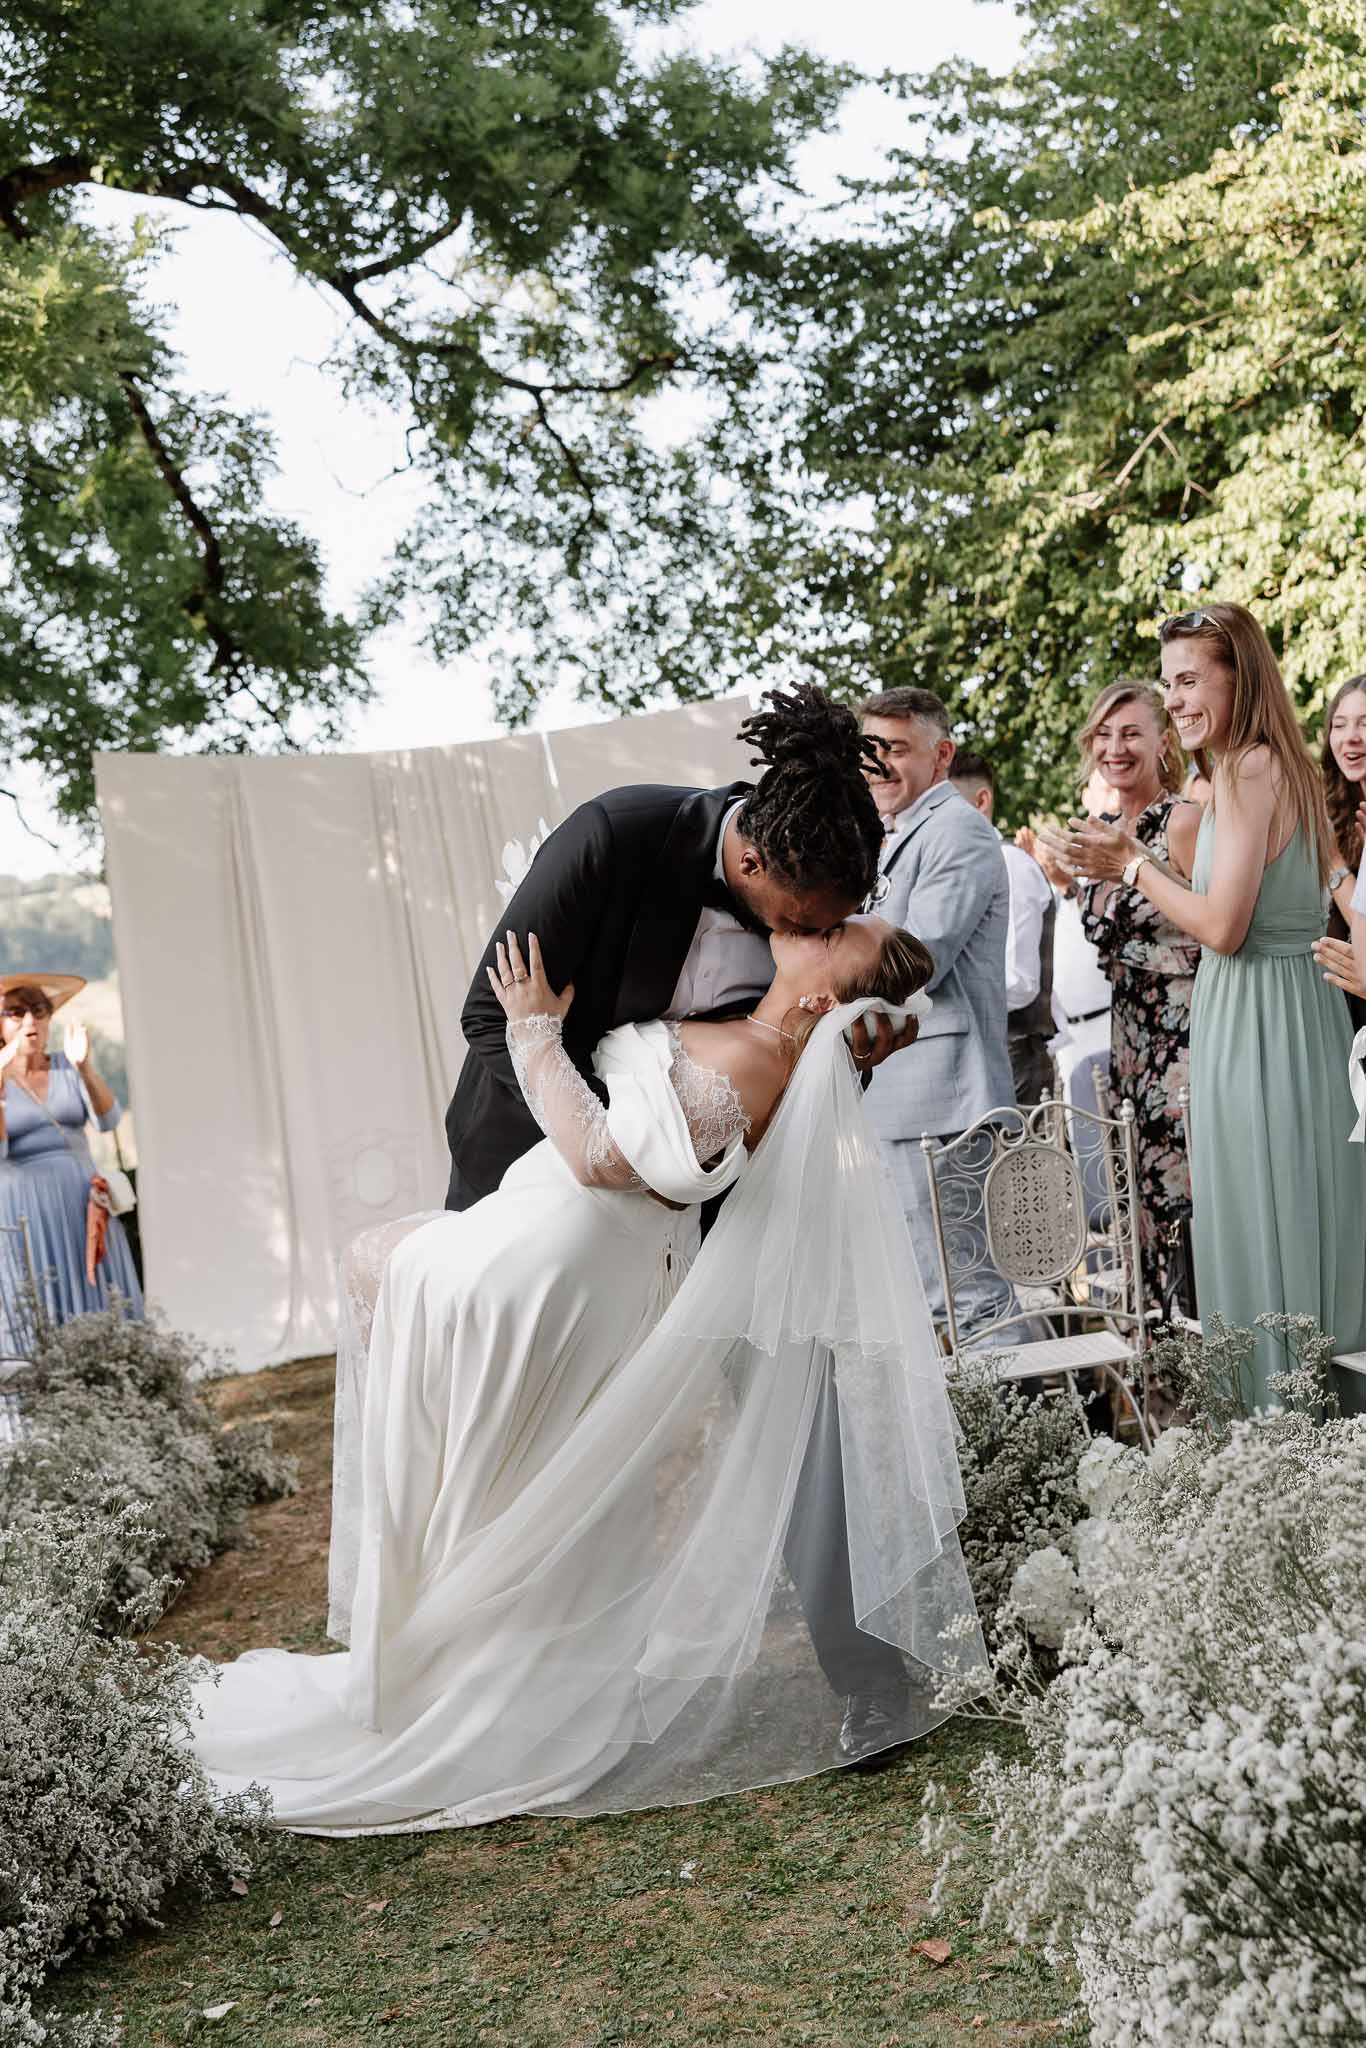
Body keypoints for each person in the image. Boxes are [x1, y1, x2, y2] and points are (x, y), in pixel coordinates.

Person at [186, 915, 986, 1832]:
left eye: (842, 928)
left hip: (571, 1249)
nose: (825, 917)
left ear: (819, 995)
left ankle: (440, 1641)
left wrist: (532, 1027)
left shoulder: (770, 1060)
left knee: (398, 1291)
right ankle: (438, 1636)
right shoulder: (747, 1002)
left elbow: (608, 1161)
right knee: (454, 1385)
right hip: (546, 1215)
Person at [441, 688, 925, 1762]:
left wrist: (845, 1043)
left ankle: (868, 1678)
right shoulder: (616, 837)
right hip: (545, 1169)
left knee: (796, 1389)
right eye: (799, 917)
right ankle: (515, 1680)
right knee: (533, 1426)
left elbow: (861, 998)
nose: (807, 937)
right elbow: (494, 1015)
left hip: (732, 1171)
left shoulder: (817, 889)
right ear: (750, 863)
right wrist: (607, 1161)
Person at [1047, 603, 1366, 1413]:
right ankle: (1307, 1427)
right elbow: (1333, 888)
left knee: (1272, 1218)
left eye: (1190, 680)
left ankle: (1288, 1425)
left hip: (1260, 1016)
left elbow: (1222, 928)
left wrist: (1132, 865)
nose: (1177, 699)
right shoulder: (1275, 765)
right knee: (1300, 1213)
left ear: (1238, 677)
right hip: (1284, 1012)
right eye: (1170, 681)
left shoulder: (1247, 769)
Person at [858, 689, 1018, 1332]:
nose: (878, 766)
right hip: (906, 1100)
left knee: (970, 1297)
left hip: (944, 1099)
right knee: (937, 1293)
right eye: (869, 752)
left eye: (894, 750)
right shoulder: (895, 834)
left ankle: (1029, 1433)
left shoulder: (958, 832)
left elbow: (920, 958)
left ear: (941, 754)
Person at [1071, 682, 1202, 1312]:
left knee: (1190, 1197)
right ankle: (1165, 1375)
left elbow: (1214, 929)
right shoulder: (1097, 830)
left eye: (1130, 733)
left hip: (1186, 1036)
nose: (1115, 747)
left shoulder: (1181, 821)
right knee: (1141, 1200)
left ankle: (1215, 1354)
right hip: (1128, 1040)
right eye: (1103, 734)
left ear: (1162, 741)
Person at [0, 974, 141, 1330]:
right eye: (16, 1012)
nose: (30, 1021)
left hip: (83, 1202)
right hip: (24, 1209)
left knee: (102, 1296)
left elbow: (108, 1120)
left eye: (39, 1010)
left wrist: (84, 1067)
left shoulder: (66, 1065)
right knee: (37, 1303)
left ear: (49, 1018)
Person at [949, 750, 1056, 1105]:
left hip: (1014, 1055)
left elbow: (1020, 982)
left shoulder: (1010, 865)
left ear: (981, 801)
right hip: (981, 1053)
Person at [1311, 675, 1366, 1030]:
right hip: (1338, 1009)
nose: (1350, 737)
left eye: (1365, 724)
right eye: (1339, 725)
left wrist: (1333, 866)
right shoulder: (1334, 811)